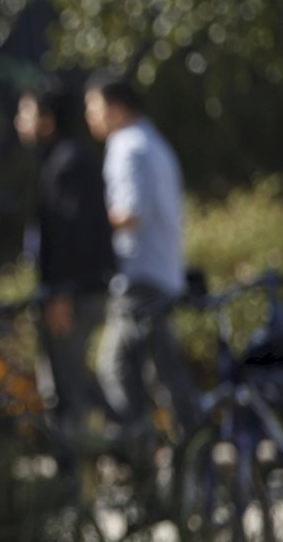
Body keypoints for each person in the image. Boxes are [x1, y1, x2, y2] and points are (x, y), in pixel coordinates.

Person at [83, 70, 202, 449]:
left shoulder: (127, 146)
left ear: (116, 108)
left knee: (116, 365)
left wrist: (86, 227)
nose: (90, 116)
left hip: (139, 275)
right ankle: (186, 455)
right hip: (160, 270)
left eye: (94, 106)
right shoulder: (153, 142)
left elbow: (130, 213)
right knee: (159, 370)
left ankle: (142, 450)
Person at [13, 76, 116, 461]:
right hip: (69, 293)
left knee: (69, 388)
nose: (18, 122)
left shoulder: (67, 163)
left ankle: (121, 450)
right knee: (65, 386)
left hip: (72, 296)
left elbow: (73, 235)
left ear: (47, 120)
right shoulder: (60, 161)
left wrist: (61, 294)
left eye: (25, 112)